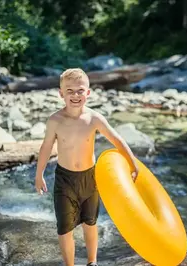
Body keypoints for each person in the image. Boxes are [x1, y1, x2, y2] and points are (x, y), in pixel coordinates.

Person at [34, 68, 139, 266]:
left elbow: (116, 139)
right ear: (61, 94)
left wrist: (132, 163)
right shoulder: (55, 121)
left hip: (90, 178)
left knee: (90, 222)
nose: (75, 95)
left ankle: (92, 262)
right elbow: (46, 147)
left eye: (80, 90)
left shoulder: (94, 118)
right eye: (70, 91)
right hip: (65, 180)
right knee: (65, 227)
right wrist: (39, 174)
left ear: (88, 93)